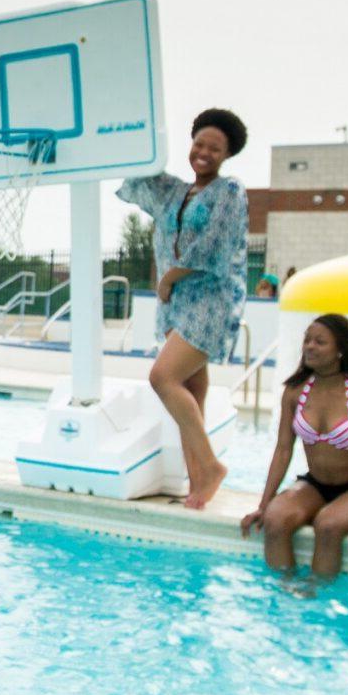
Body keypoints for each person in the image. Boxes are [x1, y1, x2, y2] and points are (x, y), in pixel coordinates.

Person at [117, 107, 252, 509]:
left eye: (215, 147)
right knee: (192, 388)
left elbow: (214, 247)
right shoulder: (174, 192)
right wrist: (141, 132)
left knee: (163, 377)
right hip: (177, 307)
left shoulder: (230, 191)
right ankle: (197, 483)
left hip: (209, 302)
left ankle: (210, 467)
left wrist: (168, 277)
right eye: (199, 143)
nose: (204, 152)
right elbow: (136, 175)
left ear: (227, 155)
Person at [239, 312, 348, 585]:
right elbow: (283, 450)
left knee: (329, 525)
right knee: (275, 520)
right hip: (316, 485)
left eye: (320, 342)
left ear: (341, 350)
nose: (309, 346)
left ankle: (317, 597)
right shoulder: (296, 392)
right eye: (307, 340)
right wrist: (263, 505)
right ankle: (284, 593)